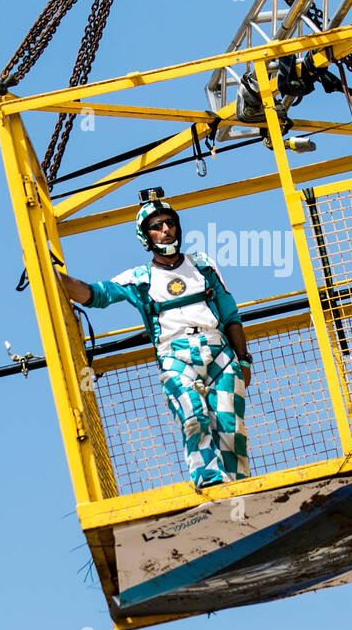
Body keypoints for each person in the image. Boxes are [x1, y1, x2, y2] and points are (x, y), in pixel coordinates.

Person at [57, 197, 253, 491]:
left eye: (170, 223)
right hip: (176, 357)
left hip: (219, 352)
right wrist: (53, 276)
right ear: (145, 236)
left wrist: (244, 357)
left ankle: (241, 488)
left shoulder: (201, 264)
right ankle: (210, 482)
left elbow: (229, 312)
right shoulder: (140, 278)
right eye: (156, 226)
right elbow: (96, 294)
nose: (165, 230)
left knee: (230, 424)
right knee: (192, 415)